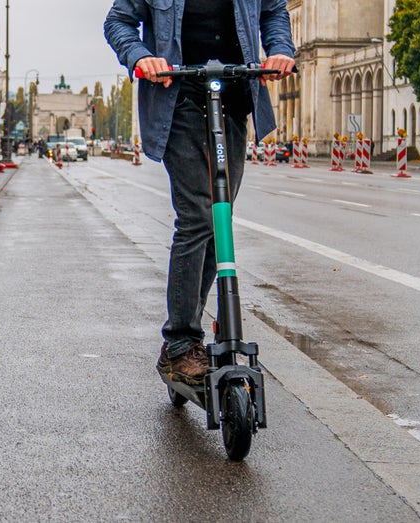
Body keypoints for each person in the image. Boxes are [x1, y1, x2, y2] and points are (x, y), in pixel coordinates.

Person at [105, 0, 295, 385]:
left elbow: (274, 10)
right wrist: (141, 56)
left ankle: (189, 332)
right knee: (198, 216)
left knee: (218, 218)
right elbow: (119, 21)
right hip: (177, 97)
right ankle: (180, 342)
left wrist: (279, 49)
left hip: (236, 95)